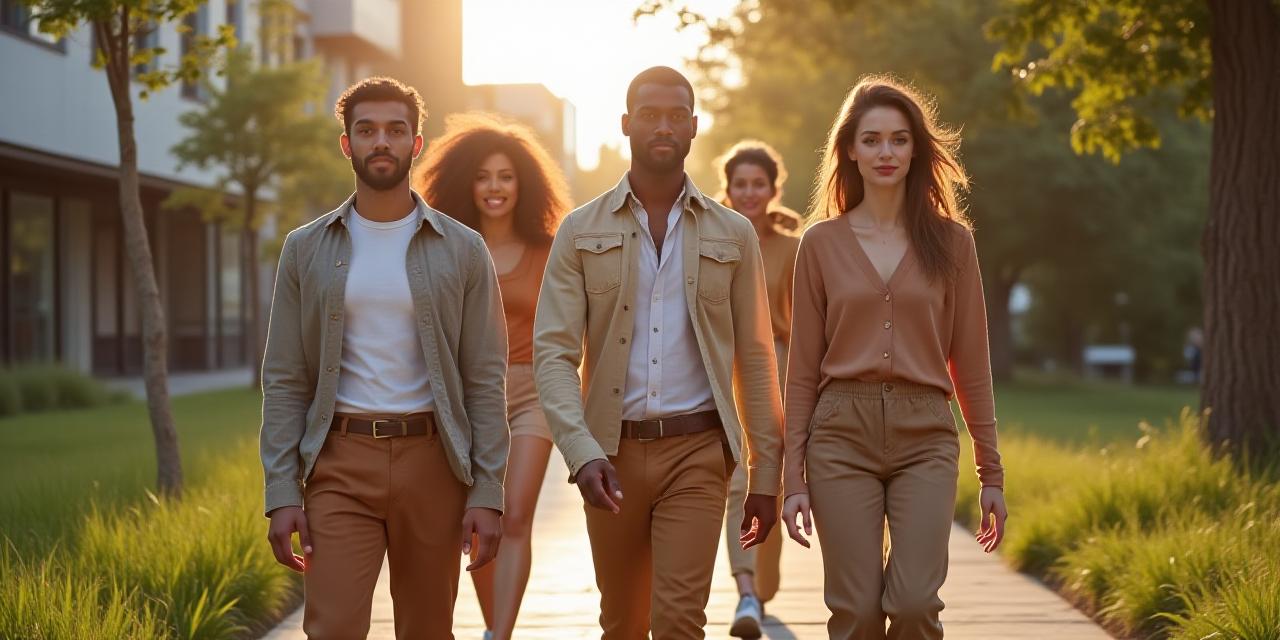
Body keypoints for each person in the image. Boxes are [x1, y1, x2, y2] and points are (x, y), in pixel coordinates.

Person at [533, 66, 784, 639]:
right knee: (623, 622)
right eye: (650, 115)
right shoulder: (579, 230)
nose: (663, 127)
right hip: (610, 456)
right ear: (626, 124)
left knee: (678, 620)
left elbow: (756, 357)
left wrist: (765, 473)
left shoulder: (733, 234)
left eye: (676, 116)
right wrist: (580, 450)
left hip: (697, 453)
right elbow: (552, 353)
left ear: (694, 126)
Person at [260, 77, 508, 639]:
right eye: (366, 130)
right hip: (339, 465)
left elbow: (484, 380)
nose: (382, 142)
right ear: (346, 144)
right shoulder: (306, 248)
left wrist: (488, 492)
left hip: (433, 464)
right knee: (333, 627)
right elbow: (285, 379)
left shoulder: (464, 249)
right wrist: (280, 493)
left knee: (427, 629)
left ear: (416, 144)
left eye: (396, 131)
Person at [781, 75, 1009, 640]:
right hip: (840, 436)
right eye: (873, 139)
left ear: (916, 150)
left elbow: (972, 363)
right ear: (850, 150)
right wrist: (793, 476)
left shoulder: (953, 243)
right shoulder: (820, 244)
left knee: (912, 604)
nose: (887, 152)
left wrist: (991, 473)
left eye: (900, 140)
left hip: (925, 435)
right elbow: (803, 367)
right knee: (854, 612)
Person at [413, 112, 571, 640]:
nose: (495, 187)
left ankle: (497, 634)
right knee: (479, 520)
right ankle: (493, 625)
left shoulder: (550, 250)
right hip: (466, 398)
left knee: (515, 514)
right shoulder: (446, 247)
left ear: (523, 184)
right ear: (465, 183)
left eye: (505, 176)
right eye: (483, 176)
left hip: (533, 394)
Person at [713, 140, 802, 638]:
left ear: (773, 189)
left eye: (758, 184)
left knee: (776, 482)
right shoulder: (709, 240)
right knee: (738, 485)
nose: (749, 192)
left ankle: (761, 588)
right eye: (740, 184)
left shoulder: (794, 247)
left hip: (782, 370)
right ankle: (746, 591)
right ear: (728, 189)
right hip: (724, 373)